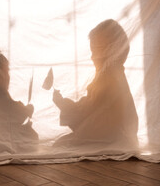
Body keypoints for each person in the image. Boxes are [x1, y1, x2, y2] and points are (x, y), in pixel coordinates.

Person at [53, 19, 138, 149]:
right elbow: (90, 107)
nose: (93, 57)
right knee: (61, 143)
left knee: (60, 146)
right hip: (107, 133)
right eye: (92, 51)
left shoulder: (109, 77)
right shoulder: (110, 74)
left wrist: (63, 105)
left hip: (106, 136)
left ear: (112, 50)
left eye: (97, 51)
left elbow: (88, 111)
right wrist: (64, 104)